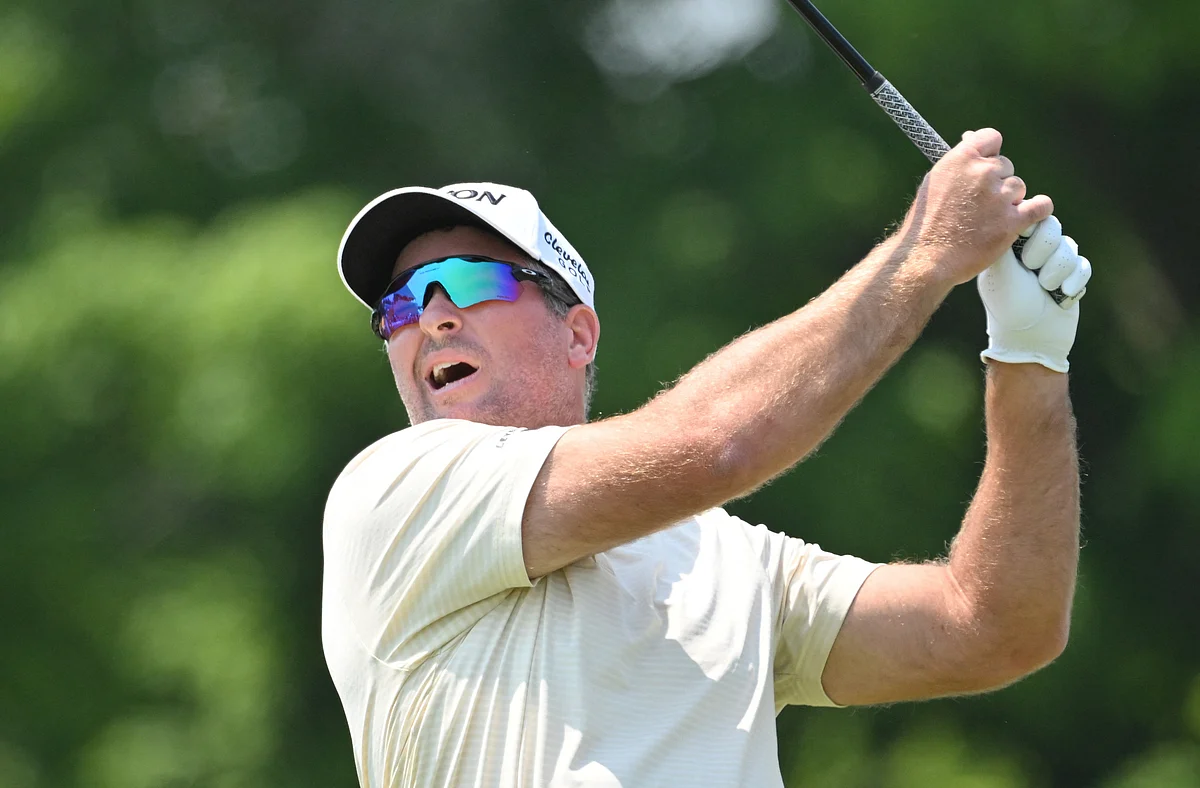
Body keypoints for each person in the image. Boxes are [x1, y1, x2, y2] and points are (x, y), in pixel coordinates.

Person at [321, 128, 1091, 788]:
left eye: (470, 281)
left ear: (578, 334)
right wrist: (925, 251)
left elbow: (993, 626)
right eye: (400, 303)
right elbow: (715, 444)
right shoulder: (393, 492)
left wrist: (1030, 364)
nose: (431, 317)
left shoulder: (723, 556)